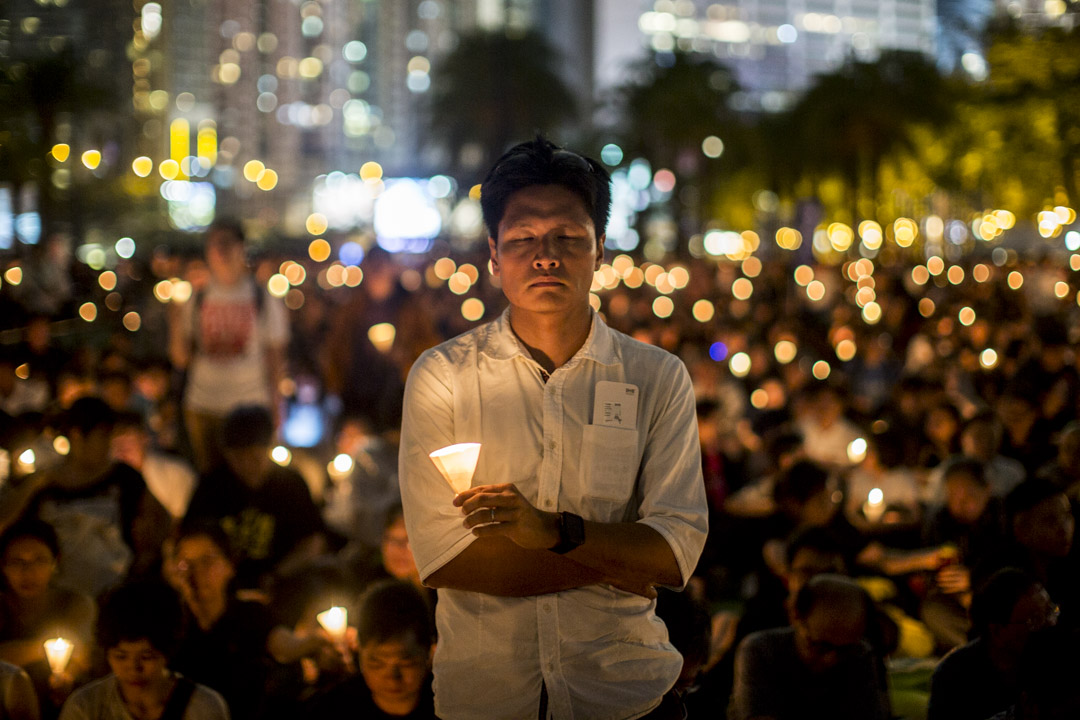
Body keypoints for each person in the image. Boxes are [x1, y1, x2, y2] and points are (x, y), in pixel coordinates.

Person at [398, 137, 708, 719]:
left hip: (625, 695)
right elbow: (446, 558)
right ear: (493, 254)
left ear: (599, 249)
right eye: (522, 239)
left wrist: (552, 532)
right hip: (487, 697)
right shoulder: (443, 377)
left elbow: (671, 554)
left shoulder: (657, 378)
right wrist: (613, 559)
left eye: (567, 237)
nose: (546, 255)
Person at [0, 398, 171, 597]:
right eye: (102, 436)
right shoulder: (45, 484)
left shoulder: (124, 478)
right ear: (77, 435)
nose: (108, 445)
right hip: (59, 594)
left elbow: (161, 517)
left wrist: (146, 555)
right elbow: (5, 521)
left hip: (113, 589)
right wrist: (34, 485)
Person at [168, 218, 288, 474]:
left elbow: (275, 358)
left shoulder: (262, 297)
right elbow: (181, 358)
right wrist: (175, 317)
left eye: (226, 243)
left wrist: (277, 409)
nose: (220, 251)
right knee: (211, 481)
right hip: (203, 406)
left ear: (241, 248)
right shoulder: (197, 297)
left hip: (250, 407)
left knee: (249, 480)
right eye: (213, 245)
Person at [183, 406, 326, 591]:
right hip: (219, 585)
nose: (246, 465)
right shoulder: (213, 484)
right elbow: (189, 535)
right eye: (237, 458)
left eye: (254, 457)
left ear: (268, 449)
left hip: (282, 584)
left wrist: (275, 576)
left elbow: (312, 542)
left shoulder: (291, 485)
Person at [58, 581, 229, 720]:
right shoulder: (85, 707)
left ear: (167, 651)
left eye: (147, 656)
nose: (133, 667)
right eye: (121, 656)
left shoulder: (202, 707)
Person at [728, 574, 890, 720]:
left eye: (844, 650)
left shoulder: (860, 654)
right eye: (820, 646)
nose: (831, 658)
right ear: (796, 617)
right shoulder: (761, 650)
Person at [927, 568, 1059, 720]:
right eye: (1034, 620)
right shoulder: (955, 678)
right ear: (997, 631)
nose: (1051, 623)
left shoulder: (1059, 659)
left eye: (1051, 611)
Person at [0, 520, 95, 718]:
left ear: (55, 562)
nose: (28, 572)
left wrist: (68, 675)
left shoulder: (75, 604)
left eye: (39, 560)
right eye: (17, 562)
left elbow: (85, 652)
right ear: (3, 566)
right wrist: (44, 647)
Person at [306, 580, 435, 718]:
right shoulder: (331, 710)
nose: (392, 678)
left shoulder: (451, 705)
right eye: (377, 663)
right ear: (359, 649)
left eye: (406, 663)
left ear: (428, 652)